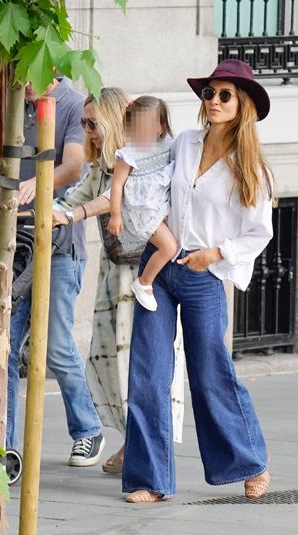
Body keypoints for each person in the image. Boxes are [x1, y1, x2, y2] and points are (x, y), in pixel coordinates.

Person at [123, 59, 273, 503]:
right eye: (208, 93)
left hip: (203, 272)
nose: (213, 101)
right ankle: (150, 480)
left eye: (224, 95)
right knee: (148, 373)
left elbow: (258, 232)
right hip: (159, 265)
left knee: (211, 373)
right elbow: (140, 177)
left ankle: (250, 461)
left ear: (241, 104)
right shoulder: (184, 143)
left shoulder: (252, 170)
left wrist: (216, 255)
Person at [0, 78, 105, 466]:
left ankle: (88, 429)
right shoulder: (15, 101)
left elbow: (75, 167)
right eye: (16, 74)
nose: (22, 84)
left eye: (28, 76)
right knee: (1, 344)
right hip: (16, 243)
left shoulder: (74, 103)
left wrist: (32, 186)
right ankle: (1, 444)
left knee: (56, 345)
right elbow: (14, 180)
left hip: (59, 247)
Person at [53, 88, 186, 474]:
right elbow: (73, 197)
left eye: (92, 123)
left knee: (139, 361)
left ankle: (146, 448)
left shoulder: (139, 157)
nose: (87, 131)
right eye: (83, 123)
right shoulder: (103, 166)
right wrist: (30, 205)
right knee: (111, 361)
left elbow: (115, 202)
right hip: (113, 271)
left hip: (144, 273)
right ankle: (134, 441)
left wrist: (75, 213)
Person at [107, 96, 176, 311]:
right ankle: (144, 282)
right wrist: (115, 214)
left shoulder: (169, 146)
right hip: (141, 212)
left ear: (161, 126)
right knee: (169, 247)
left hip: (160, 205)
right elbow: (117, 185)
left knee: (173, 242)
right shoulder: (128, 154)